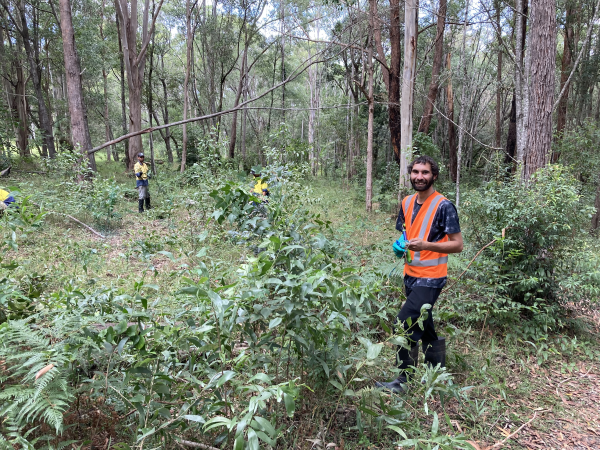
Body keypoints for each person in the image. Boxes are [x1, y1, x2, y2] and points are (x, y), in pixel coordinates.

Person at [376, 155, 463, 394]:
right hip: (410, 274)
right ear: (410, 175)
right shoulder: (406, 202)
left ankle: (403, 380)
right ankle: (437, 374)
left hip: (432, 277)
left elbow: (457, 245)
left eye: (425, 172)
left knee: (404, 322)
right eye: (415, 172)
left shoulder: (444, 205)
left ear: (434, 176)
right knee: (425, 324)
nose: (419, 177)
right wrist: (400, 245)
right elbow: (406, 234)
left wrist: (426, 246)